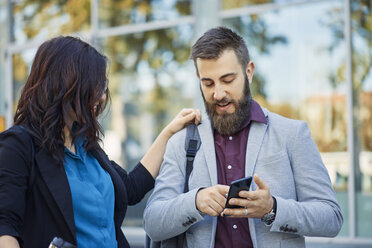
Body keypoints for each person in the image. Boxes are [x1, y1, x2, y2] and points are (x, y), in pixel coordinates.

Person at [143, 27, 343, 248]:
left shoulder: (292, 134)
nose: (218, 94)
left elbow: (331, 218)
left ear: (249, 71)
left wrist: (273, 208)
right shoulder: (182, 142)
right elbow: (152, 222)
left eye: (227, 80)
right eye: (208, 83)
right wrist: (195, 202)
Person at [0, 36, 201, 248]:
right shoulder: (18, 145)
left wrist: (169, 132)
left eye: (103, 86)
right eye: (94, 86)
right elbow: (4, 226)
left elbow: (131, 187)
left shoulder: (86, 146)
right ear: (66, 85)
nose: (103, 96)